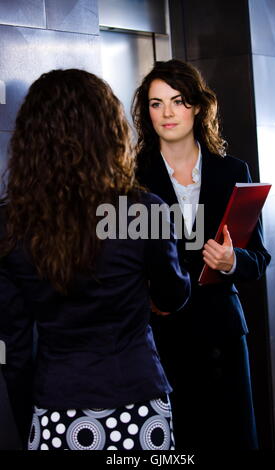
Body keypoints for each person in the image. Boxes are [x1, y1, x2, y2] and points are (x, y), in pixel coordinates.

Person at [0, 69, 191, 451]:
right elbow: (173, 296)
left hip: (56, 407)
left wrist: (33, 423)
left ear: (31, 140)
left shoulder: (9, 223)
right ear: (109, 132)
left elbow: (15, 349)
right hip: (138, 404)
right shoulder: (143, 211)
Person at [132, 59, 271, 449]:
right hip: (161, 342)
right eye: (156, 104)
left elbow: (258, 258)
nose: (168, 113)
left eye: (177, 101)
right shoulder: (129, 177)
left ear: (196, 106)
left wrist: (233, 261)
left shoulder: (232, 172)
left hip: (222, 337)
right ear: (147, 112)